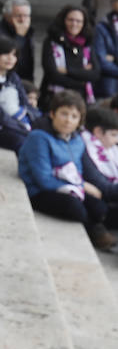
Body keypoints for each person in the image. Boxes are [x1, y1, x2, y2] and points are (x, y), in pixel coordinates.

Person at [16, 91, 114, 251]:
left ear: (79, 121)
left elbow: (77, 172)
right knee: (75, 208)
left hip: (70, 187)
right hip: (39, 190)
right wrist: (81, 187)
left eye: (74, 117)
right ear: (53, 114)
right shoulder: (39, 138)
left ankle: (98, 230)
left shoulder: (77, 141)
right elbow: (43, 178)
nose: (68, 120)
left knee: (99, 207)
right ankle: (95, 232)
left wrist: (80, 186)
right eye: (64, 114)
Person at [41, 5, 101, 110]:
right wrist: (81, 78)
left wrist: (67, 71)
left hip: (81, 99)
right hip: (53, 98)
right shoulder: (51, 42)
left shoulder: (87, 45)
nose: (74, 24)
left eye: (78, 21)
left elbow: (95, 74)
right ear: (63, 20)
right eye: (71, 20)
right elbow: (52, 74)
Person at [81, 104, 118, 218]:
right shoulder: (85, 150)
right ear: (98, 132)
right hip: (105, 205)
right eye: (114, 135)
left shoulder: (110, 149)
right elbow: (104, 188)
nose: (116, 140)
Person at [0, 0, 37, 85]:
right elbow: (9, 55)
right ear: (7, 16)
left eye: (26, 16)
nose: (22, 20)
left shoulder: (28, 31)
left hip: (26, 79)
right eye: (18, 16)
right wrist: (19, 37)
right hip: (7, 80)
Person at [93, 0, 118, 99]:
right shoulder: (102, 27)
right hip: (109, 86)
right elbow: (101, 60)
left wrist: (114, 58)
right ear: (114, 4)